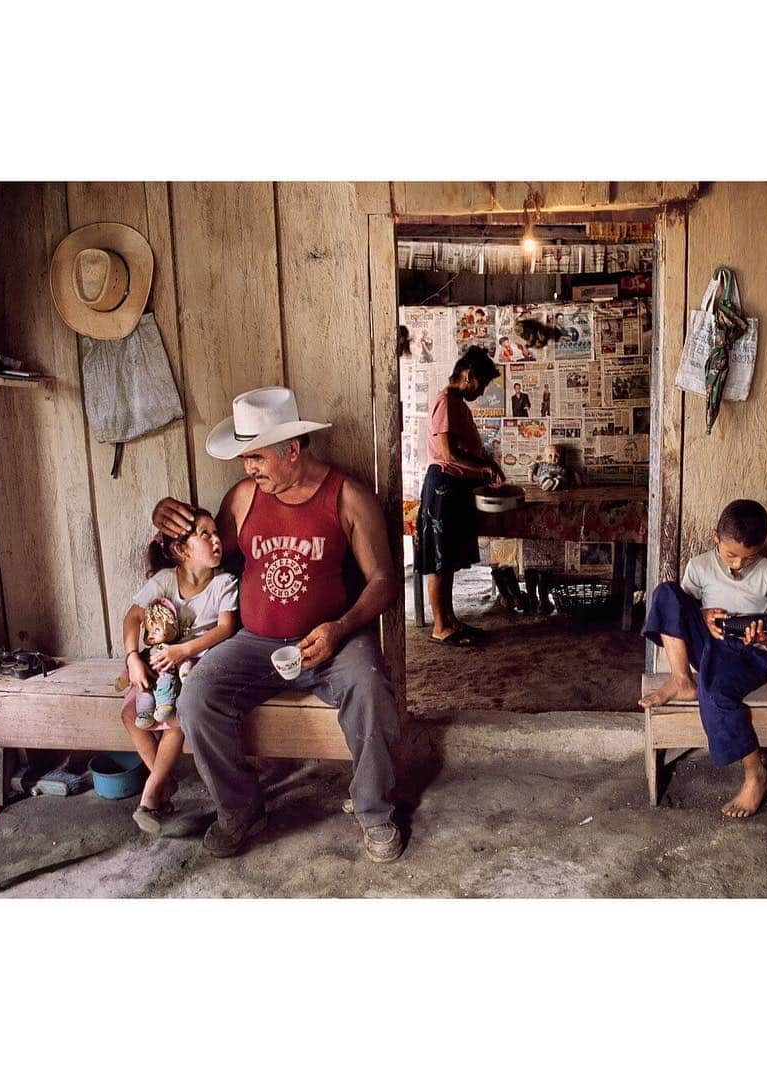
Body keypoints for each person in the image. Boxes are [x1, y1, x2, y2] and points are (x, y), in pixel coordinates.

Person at [152, 386, 403, 862]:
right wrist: (167, 520)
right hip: (256, 643)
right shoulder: (244, 498)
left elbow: (385, 581)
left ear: (292, 449)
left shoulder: (347, 497)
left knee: (370, 689)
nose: (249, 468)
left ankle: (375, 813)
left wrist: (339, 628)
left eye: (257, 457)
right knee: (198, 695)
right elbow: (204, 555)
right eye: (245, 458)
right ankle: (241, 811)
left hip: (334, 641)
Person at [639, 499, 767, 819]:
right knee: (667, 592)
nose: (738, 565)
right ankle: (681, 679)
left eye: (748, 557)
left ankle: (756, 774)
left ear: (761, 547)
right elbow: (677, 614)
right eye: (731, 555)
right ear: (715, 537)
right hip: (709, 645)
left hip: (749, 655)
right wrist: (703, 613)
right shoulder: (698, 566)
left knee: (714, 693)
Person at [120, 509, 239, 835]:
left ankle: (150, 795)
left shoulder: (223, 584)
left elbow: (226, 628)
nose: (217, 540)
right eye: (206, 534)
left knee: (173, 718)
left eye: (217, 533)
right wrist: (132, 658)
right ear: (181, 551)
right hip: (161, 662)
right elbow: (132, 618)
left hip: (197, 665)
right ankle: (166, 782)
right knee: (131, 715)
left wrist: (183, 650)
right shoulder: (164, 581)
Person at [416, 345, 505, 647]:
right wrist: (484, 469)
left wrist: (487, 463)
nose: (482, 392)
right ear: (468, 375)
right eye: (482, 383)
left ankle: (450, 621)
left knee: (449, 559)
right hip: (443, 488)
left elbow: (464, 451)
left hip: (454, 489)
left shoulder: (456, 403)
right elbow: (449, 454)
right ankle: (441, 627)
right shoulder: (446, 403)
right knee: (440, 561)